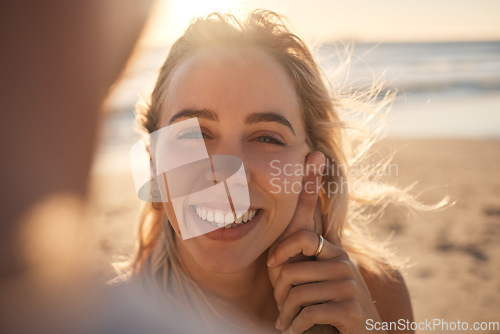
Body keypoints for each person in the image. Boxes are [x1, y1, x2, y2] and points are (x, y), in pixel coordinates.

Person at [123, 10, 416, 334]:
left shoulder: (374, 299)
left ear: (311, 172)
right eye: (194, 134)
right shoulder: (97, 320)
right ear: (152, 169)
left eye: (266, 137)